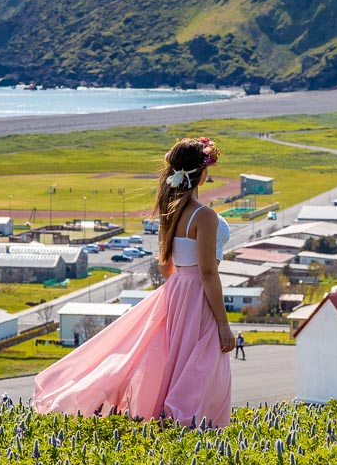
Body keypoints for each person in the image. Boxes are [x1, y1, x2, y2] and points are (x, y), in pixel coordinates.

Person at [32, 135, 234, 427]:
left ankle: (170, 423)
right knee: (199, 368)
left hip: (176, 291)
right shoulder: (204, 216)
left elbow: (166, 264)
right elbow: (207, 273)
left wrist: (176, 292)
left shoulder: (172, 209)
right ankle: (185, 425)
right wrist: (223, 323)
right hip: (197, 294)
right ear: (201, 173)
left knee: (171, 362)